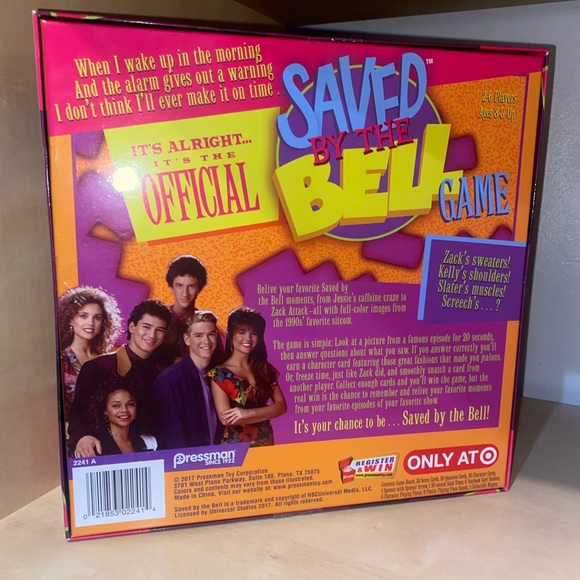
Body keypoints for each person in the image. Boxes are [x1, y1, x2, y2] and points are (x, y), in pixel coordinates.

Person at [68, 299, 171, 458]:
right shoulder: (99, 367)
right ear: (132, 327)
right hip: (106, 453)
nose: (152, 335)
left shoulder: (162, 372)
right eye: (146, 327)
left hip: (149, 452)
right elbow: (78, 412)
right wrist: (83, 436)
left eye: (159, 330)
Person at [208, 307, 287, 447]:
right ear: (230, 334)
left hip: (266, 442)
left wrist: (247, 413)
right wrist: (268, 412)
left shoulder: (264, 368)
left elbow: (282, 407)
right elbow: (226, 419)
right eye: (242, 332)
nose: (248, 339)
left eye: (254, 333)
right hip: (236, 446)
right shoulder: (219, 374)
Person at [152, 310, 222, 449]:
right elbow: (173, 437)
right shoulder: (170, 379)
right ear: (187, 339)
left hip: (219, 455)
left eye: (211, 334)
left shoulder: (218, 373)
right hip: (189, 459)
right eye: (199, 335)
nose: (206, 341)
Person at [57, 286, 122, 420]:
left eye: (97, 317)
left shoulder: (109, 361)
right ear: (70, 319)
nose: (90, 323)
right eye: (83, 316)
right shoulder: (60, 360)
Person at [156, 254, 208, 367]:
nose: (185, 293)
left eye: (191, 286)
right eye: (179, 286)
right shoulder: (158, 321)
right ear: (171, 287)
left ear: (200, 288)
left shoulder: (207, 324)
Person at [87, 378, 157, 455]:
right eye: (116, 406)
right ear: (105, 410)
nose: (124, 410)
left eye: (130, 404)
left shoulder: (148, 442)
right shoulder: (94, 445)